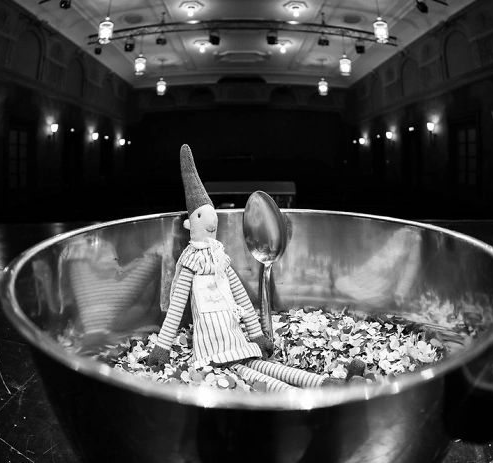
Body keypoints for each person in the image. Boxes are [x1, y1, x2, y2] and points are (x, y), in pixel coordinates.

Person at [148, 145, 362, 391]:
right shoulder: (190, 265)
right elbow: (176, 309)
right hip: (213, 354)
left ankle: (333, 383)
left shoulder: (221, 259)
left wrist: (257, 335)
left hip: (238, 341)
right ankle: (308, 396)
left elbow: (242, 299)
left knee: (270, 367)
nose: (211, 221)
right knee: (257, 377)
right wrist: (162, 347)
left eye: (211, 214)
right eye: (201, 216)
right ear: (189, 224)